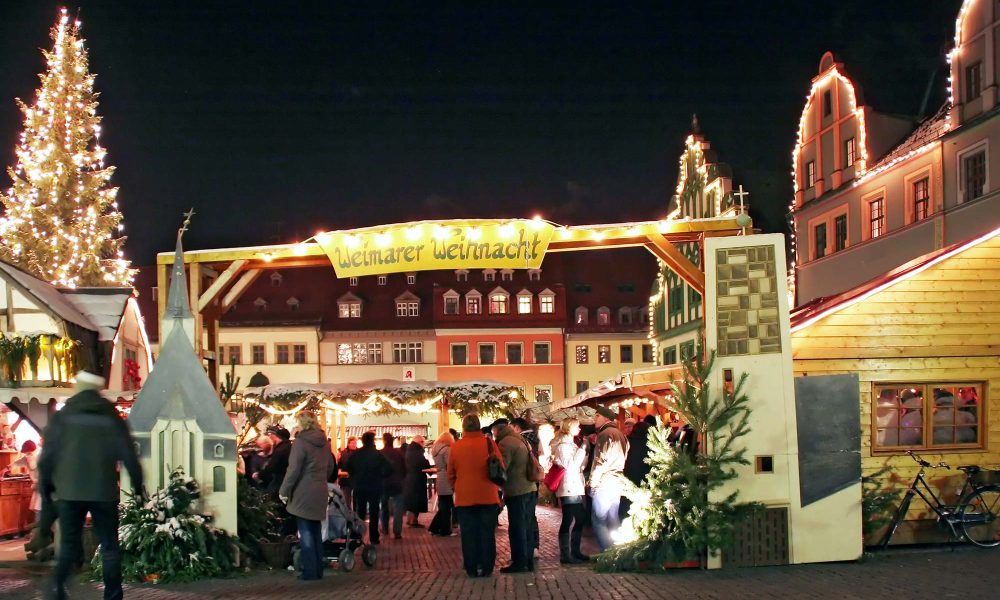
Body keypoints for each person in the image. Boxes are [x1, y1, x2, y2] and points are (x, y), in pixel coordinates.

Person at [38, 371, 143, 600]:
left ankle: (56, 591)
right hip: (103, 491)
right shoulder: (110, 415)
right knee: (109, 547)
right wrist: (138, 486)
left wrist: (46, 486)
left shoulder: (63, 416)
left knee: (67, 545)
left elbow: (48, 456)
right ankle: (112, 595)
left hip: (69, 491)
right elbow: (127, 453)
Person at [279, 412, 335, 581]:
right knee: (316, 531)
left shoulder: (300, 442)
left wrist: (284, 491)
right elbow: (330, 466)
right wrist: (321, 480)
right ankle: (318, 569)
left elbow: (293, 469)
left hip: (303, 491)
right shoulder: (324, 442)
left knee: (306, 532)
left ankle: (310, 571)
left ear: (302, 424)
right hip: (320, 490)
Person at [448, 413, 504, 578]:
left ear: (464, 427)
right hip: (488, 496)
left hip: (464, 498)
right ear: (479, 426)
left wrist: (458, 487)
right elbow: (501, 466)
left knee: (468, 534)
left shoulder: (456, 447)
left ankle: (471, 567)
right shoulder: (489, 443)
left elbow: (450, 473)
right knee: (487, 533)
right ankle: (487, 567)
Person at [495, 419, 537, 573]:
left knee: (517, 527)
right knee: (527, 525)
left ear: (497, 431)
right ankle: (528, 560)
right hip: (530, 487)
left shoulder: (505, 443)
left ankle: (519, 562)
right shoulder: (520, 439)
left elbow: (502, 468)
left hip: (517, 490)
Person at [589, 405, 629, 552]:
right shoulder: (621, 434)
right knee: (613, 519)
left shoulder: (605, 434)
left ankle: (607, 552)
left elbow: (600, 461)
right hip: (617, 481)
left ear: (606, 418)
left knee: (598, 520)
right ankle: (618, 551)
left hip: (604, 481)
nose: (594, 419)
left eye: (597, 416)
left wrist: (592, 483)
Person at [552, 418, 589, 564]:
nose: (579, 429)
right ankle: (566, 554)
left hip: (575, 486)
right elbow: (571, 466)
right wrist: (583, 449)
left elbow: (580, 465)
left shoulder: (572, 444)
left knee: (579, 518)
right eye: (577, 426)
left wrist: (584, 452)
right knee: (568, 519)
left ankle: (574, 551)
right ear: (569, 428)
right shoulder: (563, 446)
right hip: (568, 487)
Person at [344, 431, 390, 544]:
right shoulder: (377, 454)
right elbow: (389, 468)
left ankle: (359, 535)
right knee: (374, 512)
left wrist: (355, 476)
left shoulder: (356, 454)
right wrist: (380, 476)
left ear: (363, 441)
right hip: (375, 486)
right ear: (372, 441)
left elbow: (347, 467)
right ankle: (374, 537)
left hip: (360, 486)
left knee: (360, 511)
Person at [511, 417, 540, 558]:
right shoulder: (536, 438)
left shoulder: (520, 440)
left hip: (523, 480)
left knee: (523, 517)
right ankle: (534, 546)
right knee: (531, 514)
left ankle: (526, 549)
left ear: (517, 427)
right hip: (534, 478)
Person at [622, 418, 652, 519]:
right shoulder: (650, 444)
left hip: (628, 478)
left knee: (626, 505)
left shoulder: (627, 442)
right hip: (645, 480)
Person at [380, 432, 407, 539]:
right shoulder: (399, 453)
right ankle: (397, 531)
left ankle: (385, 528)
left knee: (384, 506)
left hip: (383, 483)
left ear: (384, 441)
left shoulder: (380, 453)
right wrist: (401, 479)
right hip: (397, 483)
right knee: (398, 508)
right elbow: (405, 468)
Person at [428, 431, 455, 536]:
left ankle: (434, 528)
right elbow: (450, 465)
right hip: (447, 479)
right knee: (447, 506)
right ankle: (445, 530)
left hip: (440, 477)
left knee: (443, 504)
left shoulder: (435, 450)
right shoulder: (447, 450)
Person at [257, 425, 292, 500]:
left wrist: (260, 475)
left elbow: (272, 466)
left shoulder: (280, 450)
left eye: (270, 435)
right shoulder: (289, 446)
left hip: (280, 482)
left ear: (273, 435)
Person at [404, 435, 431, 527]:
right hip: (417, 479)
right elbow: (422, 463)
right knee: (416, 500)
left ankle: (410, 519)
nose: (424, 445)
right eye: (423, 442)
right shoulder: (417, 451)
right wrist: (428, 465)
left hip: (410, 478)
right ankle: (413, 521)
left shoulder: (410, 449)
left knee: (411, 500)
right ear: (420, 442)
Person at [338, 436, 358, 511]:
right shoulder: (343, 453)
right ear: (348, 444)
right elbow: (339, 466)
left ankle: (356, 514)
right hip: (346, 479)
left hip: (357, 479)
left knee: (357, 500)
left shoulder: (359, 452)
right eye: (352, 443)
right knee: (346, 500)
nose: (354, 444)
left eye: (355, 443)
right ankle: (348, 514)